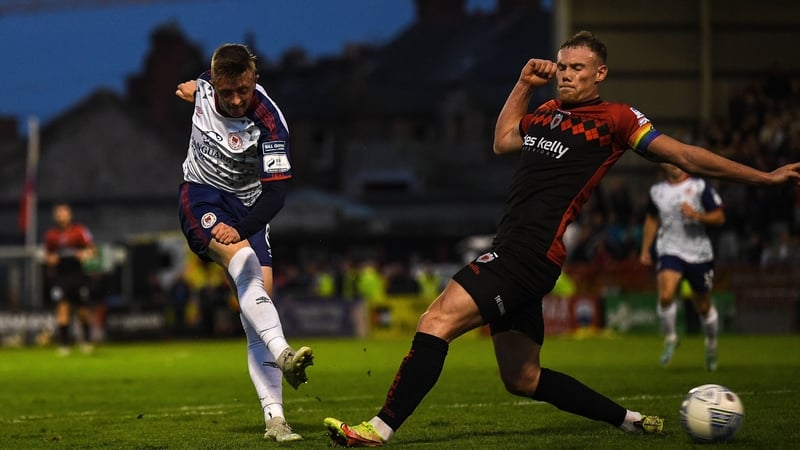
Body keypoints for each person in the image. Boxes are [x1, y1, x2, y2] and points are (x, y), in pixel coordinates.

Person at [323, 30, 800, 447]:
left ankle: (378, 430)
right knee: (523, 378)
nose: (566, 75)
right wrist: (524, 84)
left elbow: (686, 155)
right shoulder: (548, 111)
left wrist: (764, 177)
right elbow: (503, 141)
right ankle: (630, 421)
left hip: (525, 253)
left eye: (578, 69)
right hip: (523, 253)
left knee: (435, 320)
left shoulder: (616, 119)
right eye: (563, 67)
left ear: (600, 74)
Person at [175, 43, 313, 442]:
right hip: (202, 196)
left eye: (243, 91)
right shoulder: (204, 86)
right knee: (245, 265)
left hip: (251, 207)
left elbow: (276, 196)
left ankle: (276, 420)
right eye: (226, 92)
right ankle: (284, 352)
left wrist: (241, 228)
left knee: (257, 309)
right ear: (213, 84)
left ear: (255, 80)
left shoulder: (271, 124)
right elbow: (192, 86)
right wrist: (192, 91)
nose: (236, 100)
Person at [639, 163, 725, 371]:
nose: (674, 165)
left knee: (703, 305)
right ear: (663, 164)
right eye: (669, 161)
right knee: (666, 295)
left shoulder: (699, 186)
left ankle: (711, 344)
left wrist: (697, 215)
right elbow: (652, 219)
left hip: (699, 253)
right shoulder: (657, 191)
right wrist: (645, 249)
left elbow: (719, 217)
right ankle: (670, 338)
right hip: (670, 250)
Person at [43, 203, 96, 356]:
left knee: (83, 310)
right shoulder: (51, 235)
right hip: (61, 276)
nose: (62, 217)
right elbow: (47, 254)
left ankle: (86, 341)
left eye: (64, 214)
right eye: (59, 215)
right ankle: (65, 344)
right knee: (62, 308)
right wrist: (50, 259)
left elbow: (92, 250)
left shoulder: (79, 231)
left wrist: (85, 254)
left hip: (78, 274)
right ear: (56, 217)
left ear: (70, 215)